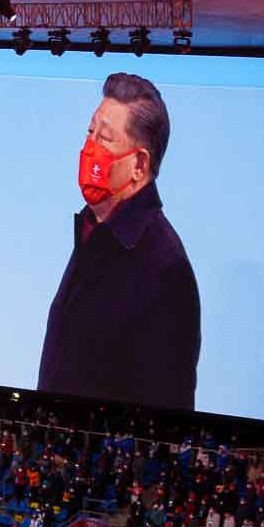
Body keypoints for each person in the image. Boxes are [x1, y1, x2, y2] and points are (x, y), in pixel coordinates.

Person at [37, 73, 201, 413]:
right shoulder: (93, 228)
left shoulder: (167, 270)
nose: (90, 147)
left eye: (105, 138)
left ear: (139, 165)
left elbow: (168, 410)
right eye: (90, 132)